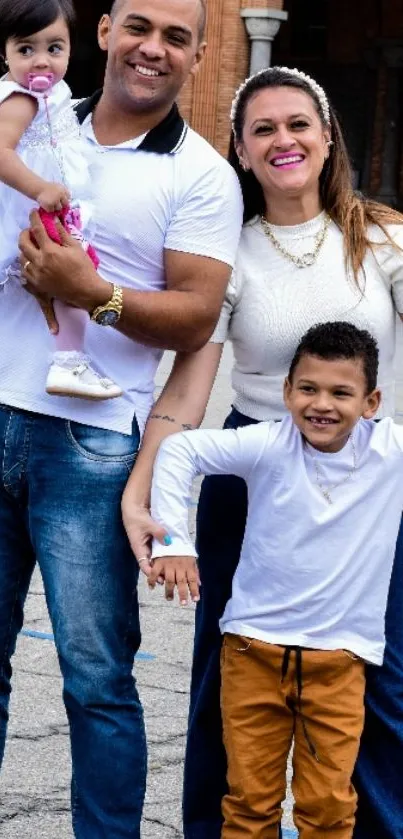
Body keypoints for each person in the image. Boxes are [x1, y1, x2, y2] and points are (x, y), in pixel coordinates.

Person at [122, 66, 403, 839]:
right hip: (252, 480)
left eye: (297, 123)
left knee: (378, 680)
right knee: (226, 677)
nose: (283, 140)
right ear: (241, 151)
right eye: (263, 129)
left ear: (325, 135)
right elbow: (188, 390)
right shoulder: (228, 253)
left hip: (366, 490)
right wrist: (142, 496)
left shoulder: (381, 238)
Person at [0, 0, 243, 835]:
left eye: (177, 37)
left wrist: (91, 292)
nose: (153, 48)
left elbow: (195, 317)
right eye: (139, 26)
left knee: (96, 678)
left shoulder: (202, 172)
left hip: (92, 442)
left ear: (199, 56)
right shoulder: (31, 116)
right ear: (103, 31)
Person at [147, 320, 403, 839]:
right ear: (286, 392)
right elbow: (180, 451)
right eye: (308, 388)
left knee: (328, 809)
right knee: (248, 805)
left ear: (371, 402)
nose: (322, 404)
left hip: (339, 662)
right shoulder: (268, 443)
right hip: (252, 655)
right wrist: (173, 540)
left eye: (341, 392)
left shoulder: (389, 451)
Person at [0, 0, 123, 400]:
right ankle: (69, 363)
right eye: (25, 49)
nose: (41, 62)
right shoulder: (20, 98)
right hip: (34, 210)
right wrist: (39, 187)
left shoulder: (56, 94)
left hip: (47, 208)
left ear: (71, 47)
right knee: (74, 275)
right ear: (4, 52)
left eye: (54, 48)